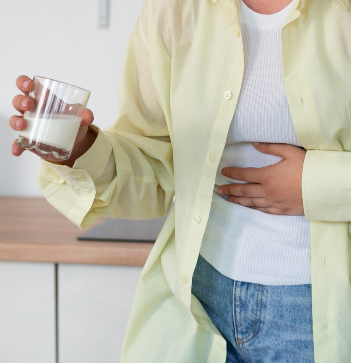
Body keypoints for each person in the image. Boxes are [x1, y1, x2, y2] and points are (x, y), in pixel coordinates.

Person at [9, 0, 351, 361]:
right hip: (200, 302)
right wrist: (79, 149)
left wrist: (314, 184)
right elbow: (153, 162)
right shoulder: (173, 9)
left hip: (321, 310)